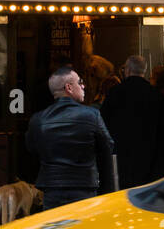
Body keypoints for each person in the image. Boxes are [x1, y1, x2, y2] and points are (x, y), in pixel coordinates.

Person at [25, 67, 115, 210]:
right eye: (80, 82)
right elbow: (107, 146)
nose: (83, 86)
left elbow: (31, 148)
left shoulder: (38, 120)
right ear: (69, 87)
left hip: (52, 189)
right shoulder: (92, 115)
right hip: (84, 187)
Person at [100, 56, 164, 189]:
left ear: (128, 70)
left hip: (121, 157)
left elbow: (103, 124)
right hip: (149, 157)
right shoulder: (155, 95)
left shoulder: (115, 93)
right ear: (144, 71)